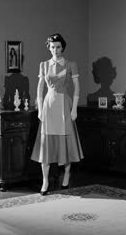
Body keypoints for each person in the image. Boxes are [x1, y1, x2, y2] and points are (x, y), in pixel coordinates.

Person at [30, 33, 83, 195]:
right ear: (49, 48)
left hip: (64, 105)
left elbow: (77, 88)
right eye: (53, 47)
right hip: (49, 105)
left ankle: (67, 174)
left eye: (58, 47)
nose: (55, 50)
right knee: (46, 144)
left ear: (63, 47)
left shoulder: (70, 64)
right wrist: (39, 107)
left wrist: (74, 109)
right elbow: (40, 87)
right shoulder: (44, 65)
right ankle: (45, 180)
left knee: (65, 142)